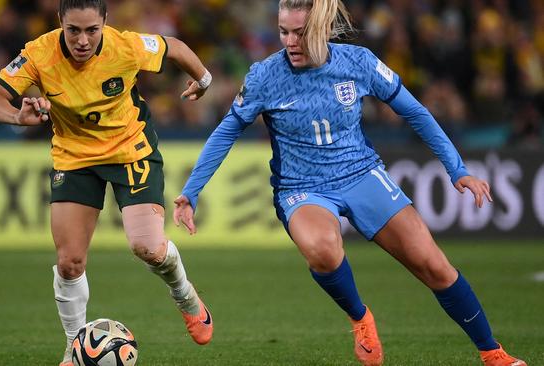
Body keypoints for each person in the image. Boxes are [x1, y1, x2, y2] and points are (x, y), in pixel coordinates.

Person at [172, 1, 526, 365]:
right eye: (283, 32)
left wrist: (457, 169)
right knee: (323, 249)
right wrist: (192, 191)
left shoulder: (358, 62)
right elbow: (227, 131)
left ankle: (492, 353)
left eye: (300, 33)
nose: (290, 42)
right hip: (302, 186)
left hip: (361, 174)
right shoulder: (265, 76)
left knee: (435, 267)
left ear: (323, 30)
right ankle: (360, 318)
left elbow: (414, 112)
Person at [0, 1, 214, 365]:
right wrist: (16, 116)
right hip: (74, 158)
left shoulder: (125, 46)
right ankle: (75, 350)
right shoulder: (39, 54)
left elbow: (176, 47)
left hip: (130, 151)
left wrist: (204, 81)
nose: (83, 40)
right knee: (69, 262)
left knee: (148, 247)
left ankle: (186, 298)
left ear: (105, 23)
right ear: (60, 24)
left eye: (92, 30)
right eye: (73, 30)